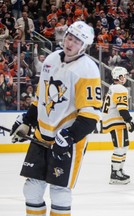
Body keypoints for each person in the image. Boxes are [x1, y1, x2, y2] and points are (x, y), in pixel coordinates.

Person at [10, 21, 102, 216]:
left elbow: (91, 115)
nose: (70, 43)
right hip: (41, 135)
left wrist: (69, 136)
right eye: (69, 37)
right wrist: (27, 122)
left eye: (76, 41)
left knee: (59, 190)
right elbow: (40, 98)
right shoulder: (51, 59)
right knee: (32, 189)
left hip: (67, 141)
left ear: (84, 46)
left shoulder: (88, 69)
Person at [101, 66, 134, 184]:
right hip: (115, 121)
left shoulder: (113, 88)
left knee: (124, 147)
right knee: (120, 148)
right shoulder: (120, 89)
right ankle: (114, 174)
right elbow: (122, 108)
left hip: (114, 120)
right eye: (124, 76)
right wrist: (129, 120)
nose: (125, 78)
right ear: (119, 77)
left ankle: (119, 171)